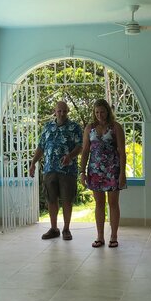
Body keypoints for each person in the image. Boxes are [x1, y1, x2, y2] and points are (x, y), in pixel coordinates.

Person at [29, 101, 83, 241]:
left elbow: (80, 146)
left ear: (68, 111)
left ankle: (66, 229)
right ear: (55, 111)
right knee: (51, 199)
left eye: (64, 111)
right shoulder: (47, 127)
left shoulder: (74, 127)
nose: (62, 113)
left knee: (67, 200)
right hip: (49, 169)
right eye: (59, 111)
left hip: (68, 170)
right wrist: (33, 162)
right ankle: (54, 229)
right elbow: (41, 146)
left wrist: (70, 156)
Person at [79, 99, 126, 248]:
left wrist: (122, 173)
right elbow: (85, 151)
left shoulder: (116, 127)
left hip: (112, 170)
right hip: (94, 170)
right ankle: (100, 236)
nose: (100, 115)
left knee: (113, 203)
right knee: (99, 204)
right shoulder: (89, 128)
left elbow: (122, 152)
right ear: (94, 113)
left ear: (108, 111)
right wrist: (82, 172)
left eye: (103, 112)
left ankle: (113, 236)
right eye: (97, 112)